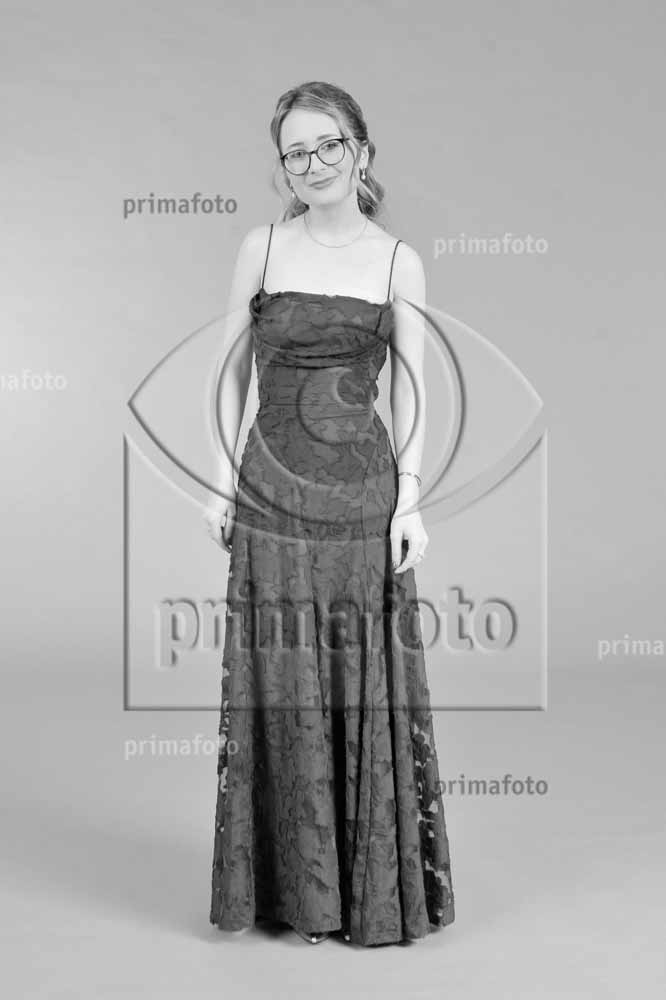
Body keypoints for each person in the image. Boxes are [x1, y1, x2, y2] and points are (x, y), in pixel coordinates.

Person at [205, 80, 455, 947]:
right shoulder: (262, 247)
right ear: (283, 165)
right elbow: (230, 369)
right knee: (281, 679)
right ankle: (292, 895)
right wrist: (218, 480)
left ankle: (362, 896)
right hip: (271, 490)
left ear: (361, 152)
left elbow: (414, 388)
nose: (312, 163)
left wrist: (410, 499)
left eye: (328, 145)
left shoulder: (397, 262)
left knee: (357, 674)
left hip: (359, 496)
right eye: (295, 151)